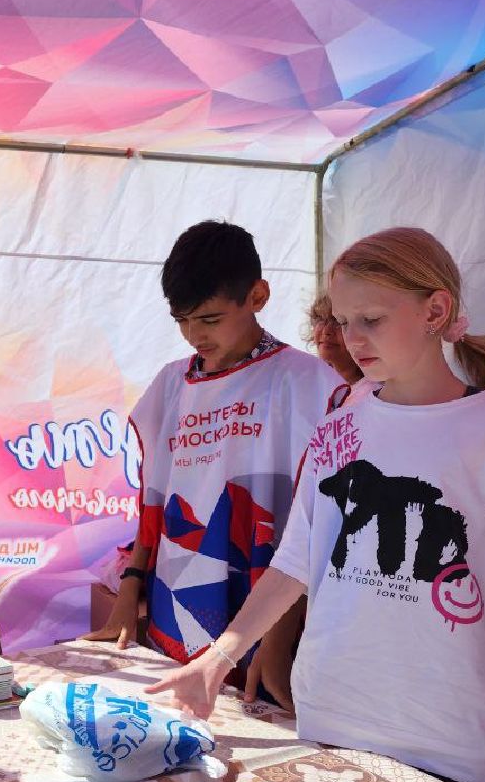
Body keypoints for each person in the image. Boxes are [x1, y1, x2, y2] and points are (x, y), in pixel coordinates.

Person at [147, 227, 485, 782]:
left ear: (436, 310)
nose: (351, 338)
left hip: (454, 741)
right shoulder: (340, 424)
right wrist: (216, 661)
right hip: (331, 719)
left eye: (372, 319)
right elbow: (296, 560)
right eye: (342, 320)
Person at [85, 221, 343, 695]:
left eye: (208, 319)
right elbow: (154, 505)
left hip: (272, 615)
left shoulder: (307, 382)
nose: (192, 335)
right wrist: (129, 591)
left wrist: (281, 633)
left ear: (258, 296)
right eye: (181, 320)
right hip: (176, 602)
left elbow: (319, 523)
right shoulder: (170, 385)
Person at [305, 293, 363, 385]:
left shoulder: (378, 393)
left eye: (338, 321)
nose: (327, 331)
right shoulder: (304, 383)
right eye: (320, 319)